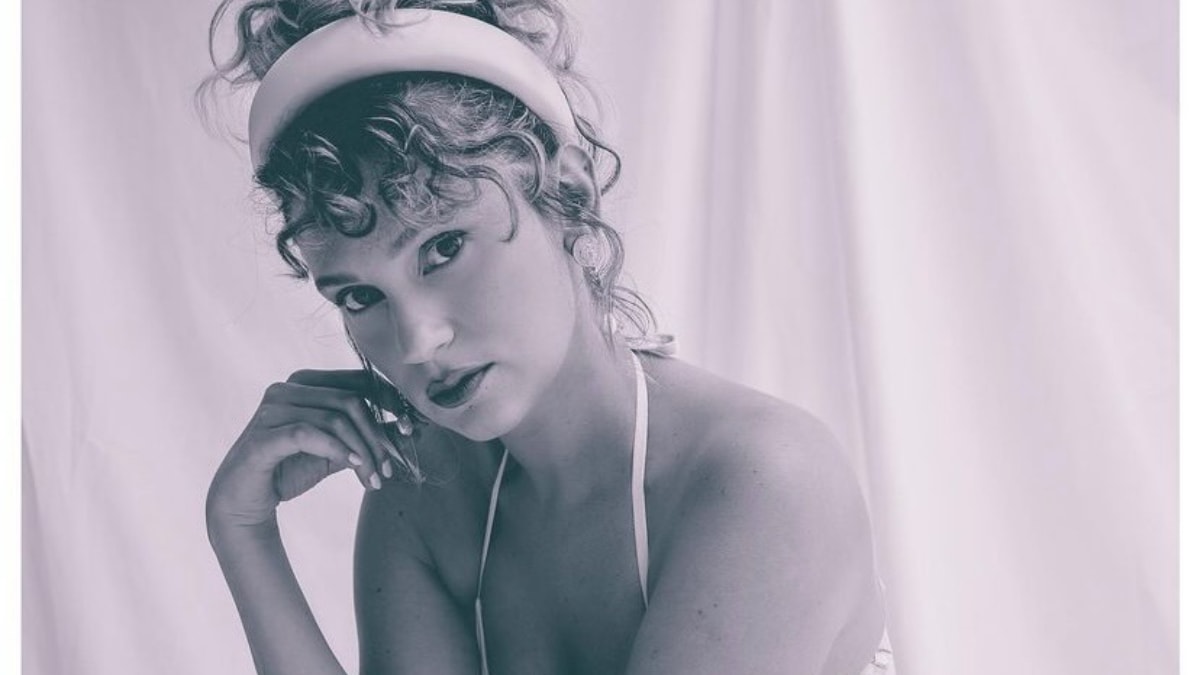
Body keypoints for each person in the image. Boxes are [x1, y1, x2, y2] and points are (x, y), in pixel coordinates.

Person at [201, 1, 895, 673]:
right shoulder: (430, 492)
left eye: (443, 248)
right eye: (360, 296)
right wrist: (244, 532)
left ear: (569, 192)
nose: (417, 342)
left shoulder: (760, 480)